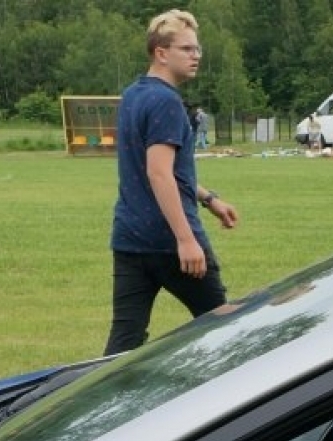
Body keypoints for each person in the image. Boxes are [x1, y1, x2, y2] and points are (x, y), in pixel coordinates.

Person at [104, 10, 240, 355]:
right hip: (169, 244)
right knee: (225, 331)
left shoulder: (133, 94)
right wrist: (186, 239)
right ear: (161, 53)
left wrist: (209, 199)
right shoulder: (166, 101)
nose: (196, 56)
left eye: (197, 49)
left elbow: (165, 170)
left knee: (123, 345)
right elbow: (158, 173)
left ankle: (98, 391)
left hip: (129, 239)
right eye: (187, 49)